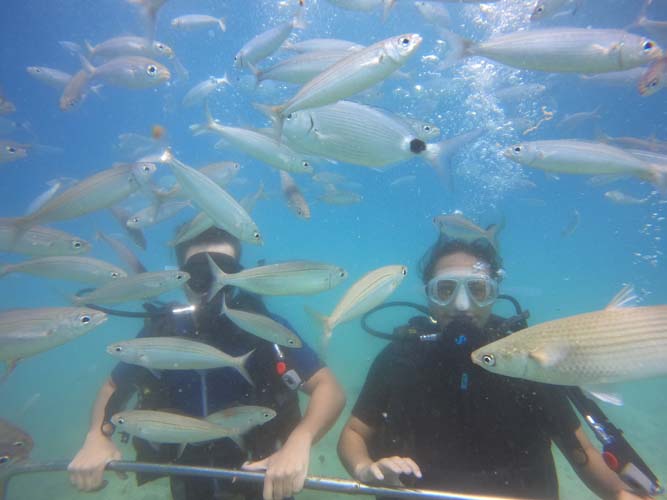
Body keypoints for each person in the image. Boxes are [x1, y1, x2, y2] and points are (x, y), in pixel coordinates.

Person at [337, 234, 649, 500]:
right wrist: (366, 470)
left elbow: (581, 451)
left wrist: (619, 493)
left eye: (477, 289)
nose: (462, 305)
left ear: (493, 294)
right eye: (445, 290)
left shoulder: (528, 358)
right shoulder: (400, 358)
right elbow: (354, 433)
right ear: (429, 295)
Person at [68, 227, 346, 500]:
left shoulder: (263, 329)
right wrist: (97, 436)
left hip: (264, 478)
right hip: (188, 480)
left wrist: (299, 441)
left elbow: (329, 389)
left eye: (224, 270)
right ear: (182, 278)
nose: (214, 282)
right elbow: (113, 386)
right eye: (200, 274)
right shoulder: (161, 333)